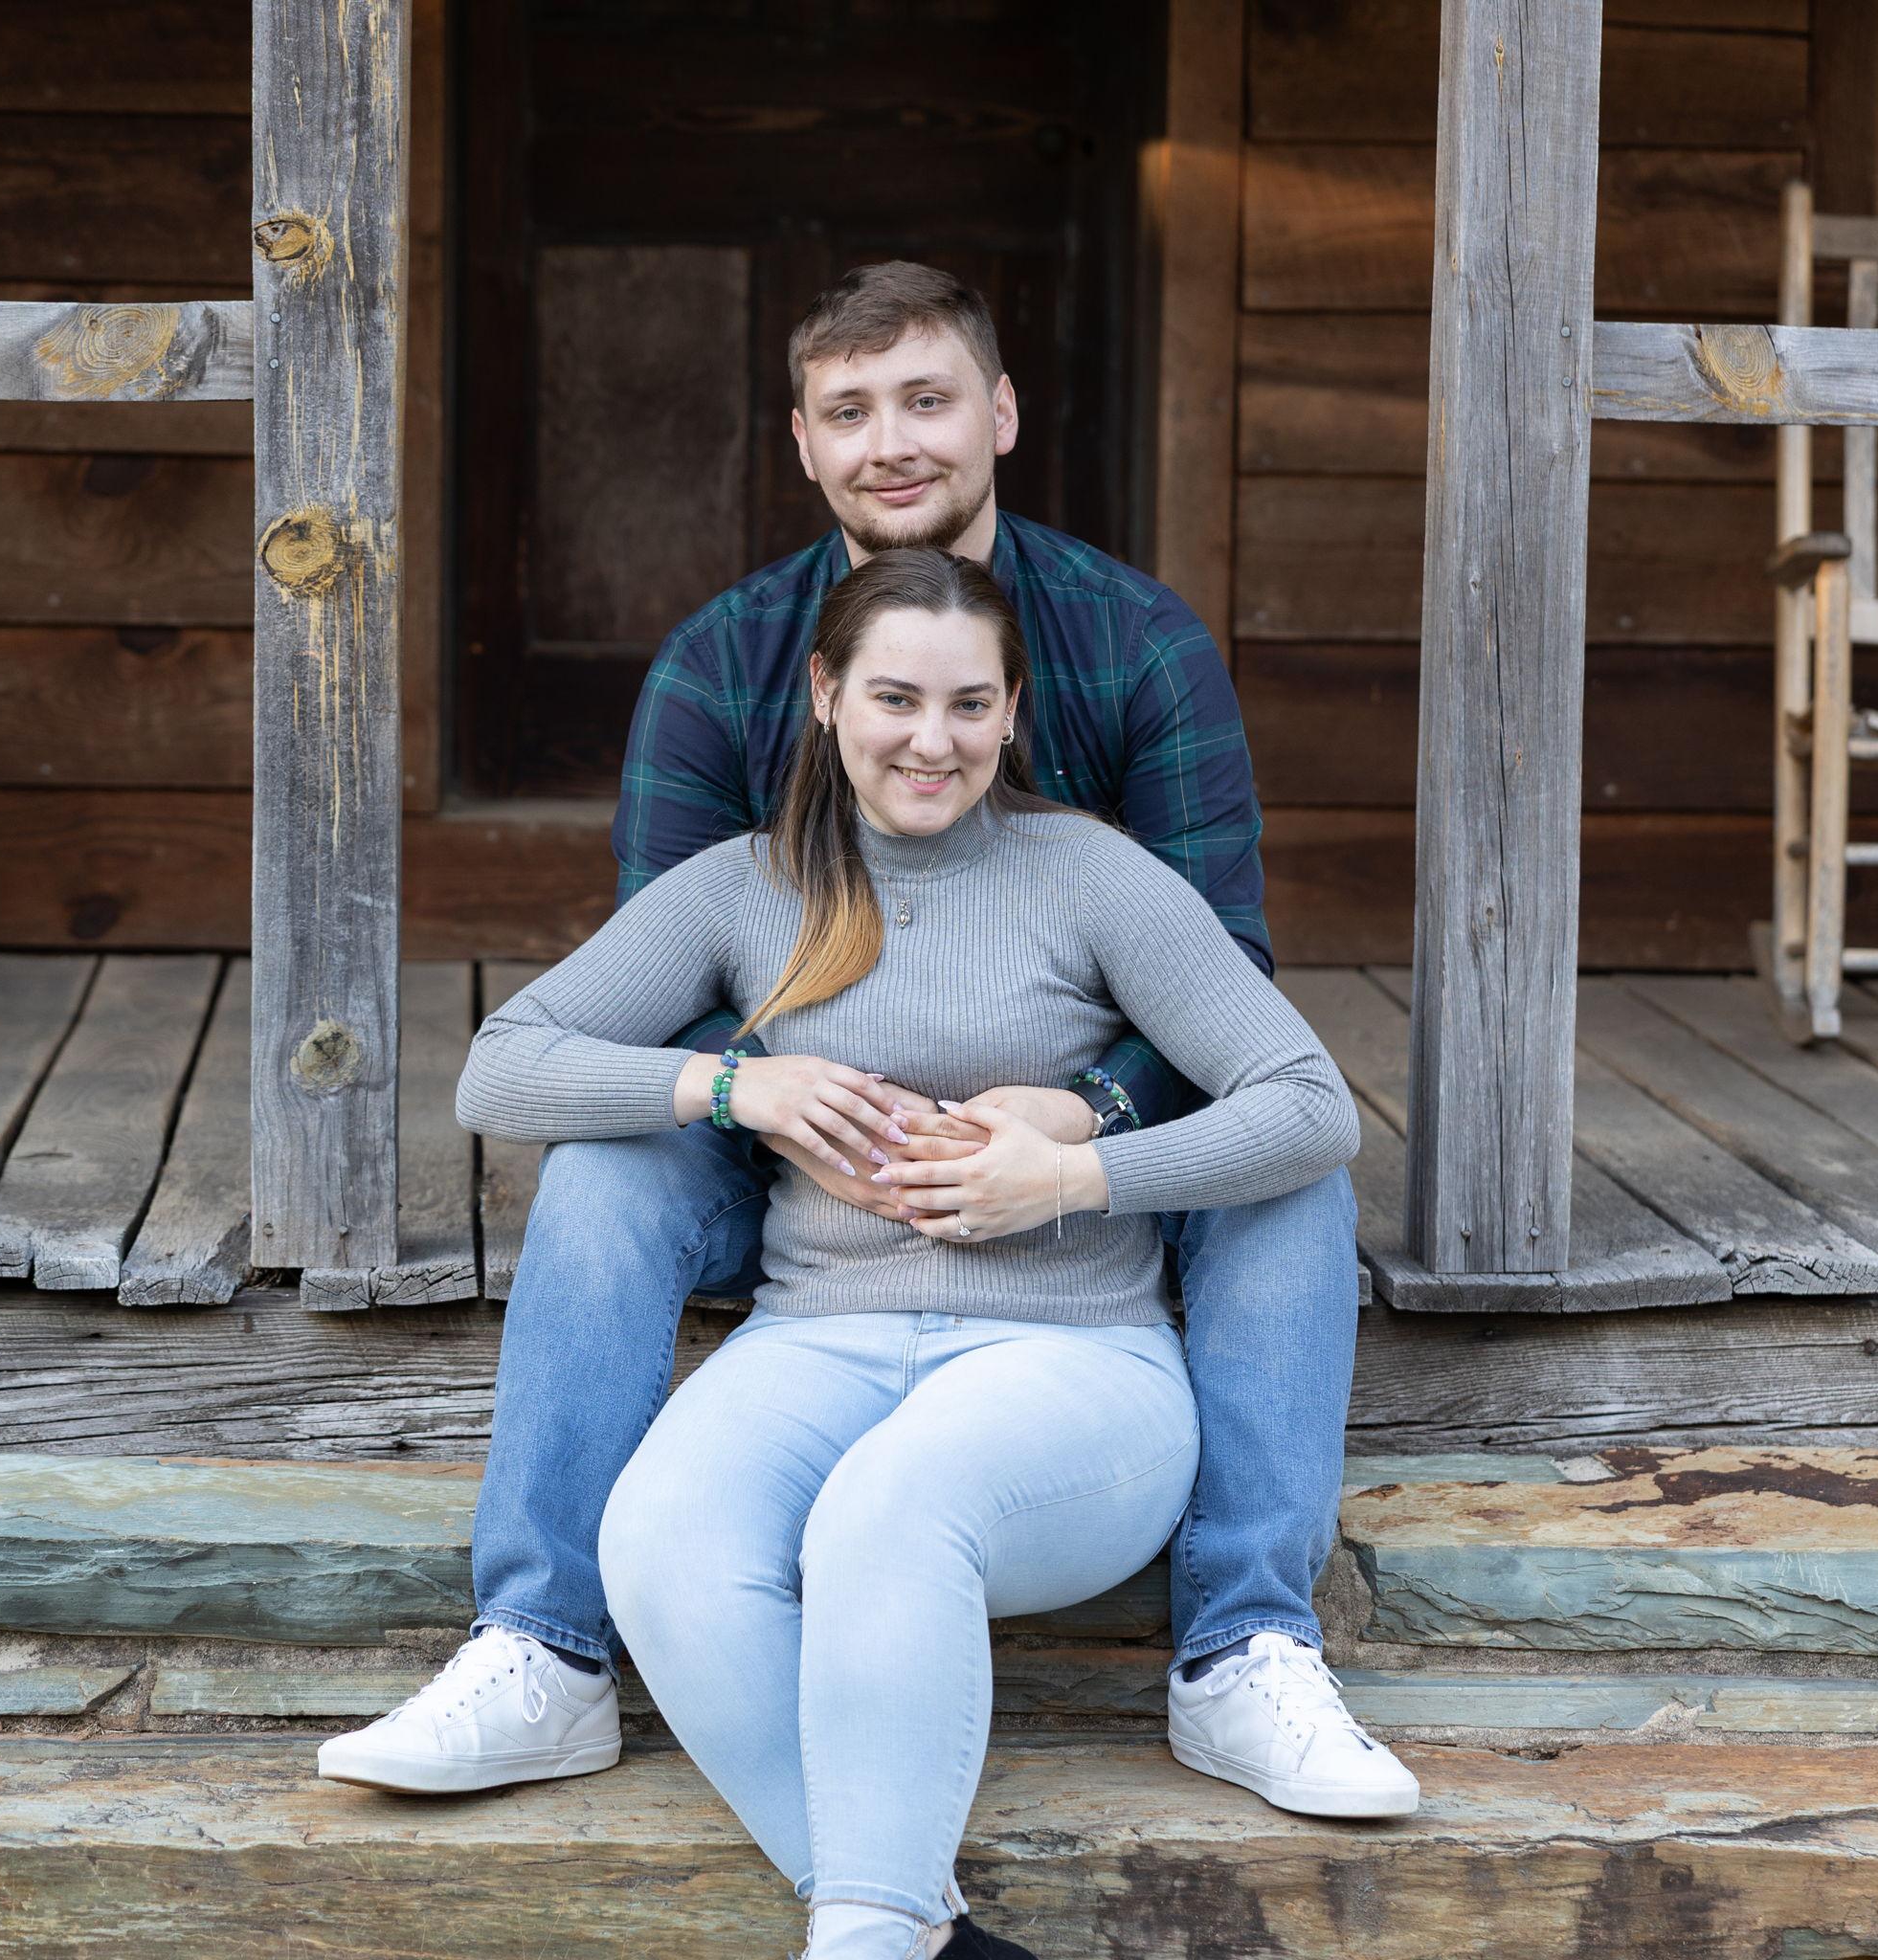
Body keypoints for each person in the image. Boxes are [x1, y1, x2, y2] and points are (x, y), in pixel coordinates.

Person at [317, 261, 1419, 1828]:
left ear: (1001, 416)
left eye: (927, 398)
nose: (892, 442)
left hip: (1081, 1141)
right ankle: (544, 1650)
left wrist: (1085, 1116)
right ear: (805, 443)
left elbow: (1228, 977)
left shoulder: (1136, 643)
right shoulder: (724, 660)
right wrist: (752, 1090)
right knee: (605, 1178)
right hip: (791, 1125)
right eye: (851, 411)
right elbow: (665, 981)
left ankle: (1245, 1648)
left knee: (1292, 1188)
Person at [456, 547, 1361, 1960]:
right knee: (658, 1541)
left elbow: (1308, 1103)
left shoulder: (1092, 877)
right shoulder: (742, 890)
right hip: (814, 1339)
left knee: (888, 1510)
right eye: (894, 698)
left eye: (968, 705)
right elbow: (500, 1069)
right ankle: (907, 1926)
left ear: (1012, 712)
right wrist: (729, 1087)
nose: (931, 741)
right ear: (825, 696)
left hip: (1069, 1363)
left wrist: (1076, 1173)